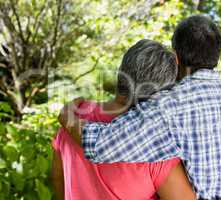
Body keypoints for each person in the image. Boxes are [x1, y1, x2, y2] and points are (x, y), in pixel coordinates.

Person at [59, 15, 221, 199]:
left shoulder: (167, 107)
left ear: (176, 58)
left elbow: (98, 146)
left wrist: (67, 115)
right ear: (217, 55)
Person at [52, 39, 196, 200]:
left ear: (121, 72)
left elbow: (58, 177)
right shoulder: (157, 142)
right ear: (163, 91)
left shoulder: (75, 115)